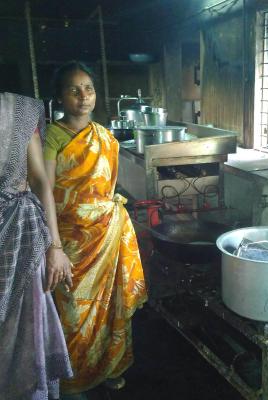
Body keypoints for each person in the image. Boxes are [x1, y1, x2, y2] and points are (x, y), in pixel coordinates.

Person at [43, 61, 148, 396]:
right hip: (70, 242)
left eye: (88, 88)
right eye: (73, 90)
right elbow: (43, 191)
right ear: (60, 96)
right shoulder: (51, 137)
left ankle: (110, 367)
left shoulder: (104, 136)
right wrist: (54, 247)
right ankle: (74, 378)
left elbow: (108, 186)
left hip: (106, 235)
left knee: (111, 306)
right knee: (73, 313)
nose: (83, 96)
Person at [0, 92, 73, 399]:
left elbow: (40, 179)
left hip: (22, 234)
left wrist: (55, 247)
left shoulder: (19, 110)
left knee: (26, 331)